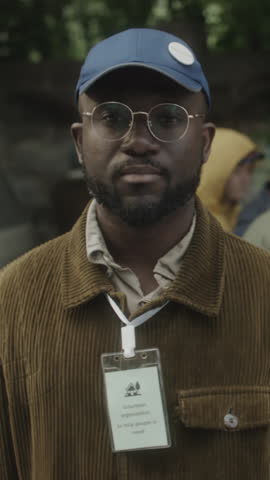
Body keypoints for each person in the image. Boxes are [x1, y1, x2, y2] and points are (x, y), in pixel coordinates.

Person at [1, 28, 270, 480]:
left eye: (167, 118)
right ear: (78, 141)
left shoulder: (262, 290)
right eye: (111, 116)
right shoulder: (12, 303)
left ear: (205, 143)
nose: (139, 141)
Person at [197, 127, 264, 231]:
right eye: (237, 171)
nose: (246, 179)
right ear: (215, 171)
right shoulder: (200, 224)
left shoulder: (231, 215)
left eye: (250, 170)